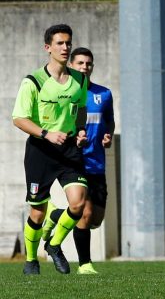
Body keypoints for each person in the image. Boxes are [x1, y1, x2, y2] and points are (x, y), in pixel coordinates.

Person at [12, 24, 89, 275]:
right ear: (48, 48)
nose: (65, 47)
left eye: (68, 43)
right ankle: (31, 261)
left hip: (68, 150)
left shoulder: (79, 79)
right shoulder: (33, 81)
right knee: (37, 211)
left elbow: (81, 110)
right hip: (40, 151)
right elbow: (19, 118)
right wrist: (46, 133)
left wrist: (80, 131)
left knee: (78, 204)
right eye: (60, 43)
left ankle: (54, 245)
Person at [42, 47, 115, 275]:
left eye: (88, 64)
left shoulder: (103, 94)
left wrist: (108, 135)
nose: (85, 67)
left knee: (96, 219)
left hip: (97, 162)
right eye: (80, 63)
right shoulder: (66, 95)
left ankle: (54, 214)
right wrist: (75, 140)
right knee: (83, 211)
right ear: (71, 66)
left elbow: (109, 121)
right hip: (74, 161)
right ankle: (85, 265)